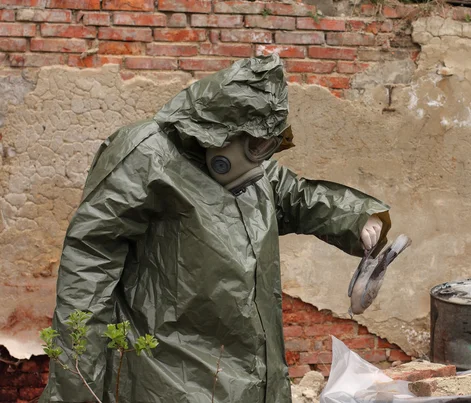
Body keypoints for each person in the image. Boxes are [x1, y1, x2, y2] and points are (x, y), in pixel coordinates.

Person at [39, 54, 391, 403]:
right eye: (254, 146)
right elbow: (89, 266)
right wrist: (76, 387)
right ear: (222, 131)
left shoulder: (247, 162)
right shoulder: (146, 156)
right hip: (167, 375)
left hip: (250, 372)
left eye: (265, 146)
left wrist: (357, 218)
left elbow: (292, 194)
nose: (259, 157)